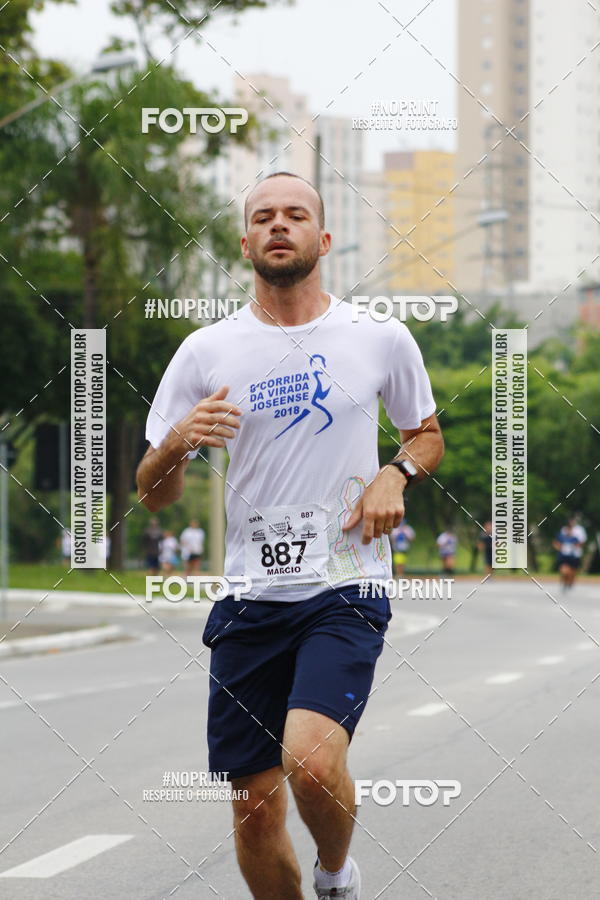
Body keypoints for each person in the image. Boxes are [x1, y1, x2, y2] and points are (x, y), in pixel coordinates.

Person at [137, 171, 444, 899]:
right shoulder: (206, 350)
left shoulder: (379, 337)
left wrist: (395, 474)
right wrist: (176, 443)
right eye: (264, 216)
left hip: (344, 583)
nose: (280, 224)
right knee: (252, 807)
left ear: (323, 238)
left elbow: (427, 434)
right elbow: (153, 495)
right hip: (250, 597)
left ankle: (336, 875)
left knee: (309, 761)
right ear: (246, 244)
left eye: (296, 215)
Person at [552, 516, 587, 590]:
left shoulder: (576, 535)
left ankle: (570, 582)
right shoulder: (562, 534)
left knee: (573, 571)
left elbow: (580, 543)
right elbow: (556, 542)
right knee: (564, 570)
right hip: (563, 555)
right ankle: (564, 582)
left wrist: (573, 546)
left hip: (574, 555)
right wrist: (559, 548)